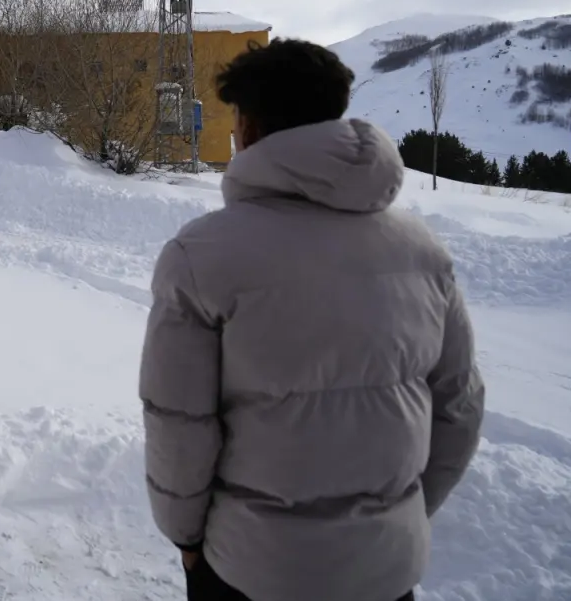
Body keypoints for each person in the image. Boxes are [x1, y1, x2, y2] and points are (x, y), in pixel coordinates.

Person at [139, 39, 484, 601]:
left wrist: (185, 537)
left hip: (253, 571)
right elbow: (460, 407)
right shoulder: (421, 248)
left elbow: (179, 425)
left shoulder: (201, 255)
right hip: (387, 570)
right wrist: (401, 515)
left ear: (246, 128)